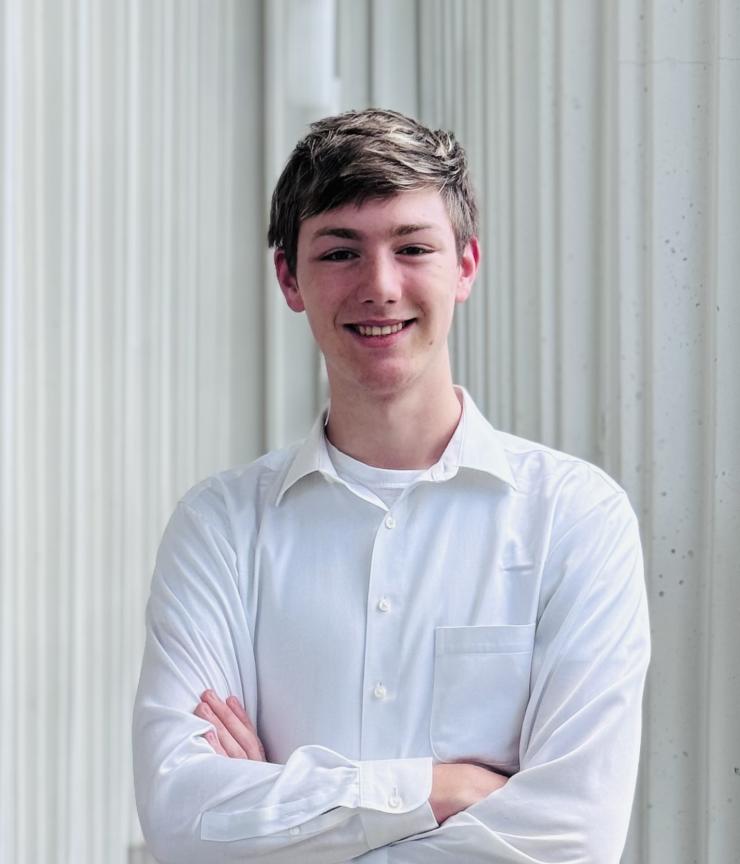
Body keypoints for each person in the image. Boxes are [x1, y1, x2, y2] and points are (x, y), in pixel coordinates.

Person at [132, 108, 650, 864]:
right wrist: (443, 791)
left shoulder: (575, 519)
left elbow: (572, 837)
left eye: (413, 248)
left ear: (465, 266)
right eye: (341, 252)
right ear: (289, 277)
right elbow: (181, 817)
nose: (379, 286)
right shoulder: (221, 525)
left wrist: (278, 808)